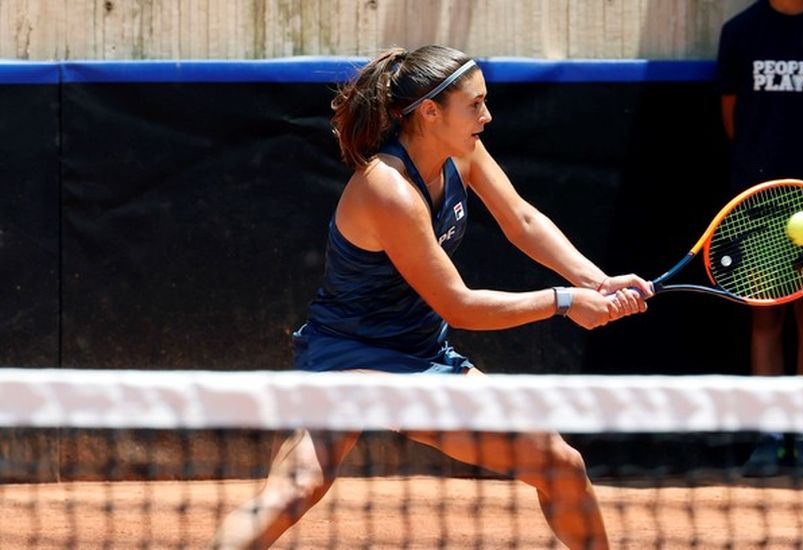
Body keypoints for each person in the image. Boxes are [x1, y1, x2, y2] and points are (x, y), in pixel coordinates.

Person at [210, 45, 653, 549]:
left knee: (560, 465)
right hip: (348, 364)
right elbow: (458, 305)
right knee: (296, 489)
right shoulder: (388, 189)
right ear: (429, 111)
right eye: (476, 104)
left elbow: (524, 220)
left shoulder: (460, 150)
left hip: (419, 354)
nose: (487, 115)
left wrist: (598, 282)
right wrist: (565, 301)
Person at [716, 0, 803, 477]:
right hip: (759, 201)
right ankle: (770, 436)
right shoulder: (740, 32)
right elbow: (734, 119)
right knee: (765, 318)